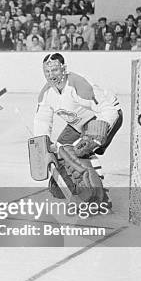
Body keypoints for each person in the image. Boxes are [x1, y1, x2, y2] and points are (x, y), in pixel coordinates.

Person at [33, 53, 122, 200]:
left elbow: (110, 109)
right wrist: (42, 146)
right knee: (60, 148)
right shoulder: (46, 93)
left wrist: (95, 134)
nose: (51, 75)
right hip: (79, 124)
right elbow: (42, 120)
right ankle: (71, 183)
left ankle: (99, 196)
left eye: (54, 70)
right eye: (47, 71)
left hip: (103, 118)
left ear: (64, 69)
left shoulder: (78, 84)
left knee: (79, 151)